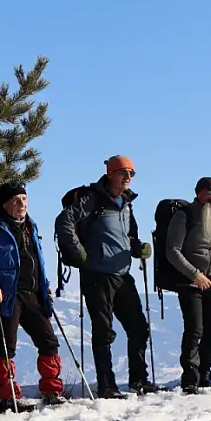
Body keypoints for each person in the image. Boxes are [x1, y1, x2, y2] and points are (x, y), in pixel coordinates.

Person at [54, 155, 158, 398]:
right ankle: (106, 385)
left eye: (131, 173)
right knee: (103, 331)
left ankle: (138, 380)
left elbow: (129, 235)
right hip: (97, 275)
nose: (128, 178)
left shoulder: (126, 203)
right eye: (123, 173)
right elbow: (64, 221)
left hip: (122, 274)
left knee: (138, 328)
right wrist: (79, 253)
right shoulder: (92, 199)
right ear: (110, 173)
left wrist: (137, 248)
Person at [0, 182, 64, 409]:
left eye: (24, 199)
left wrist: (44, 284)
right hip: (6, 295)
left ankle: (51, 390)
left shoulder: (31, 226)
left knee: (48, 341)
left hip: (33, 293)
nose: (22, 204)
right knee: (5, 345)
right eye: (16, 200)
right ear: (5, 204)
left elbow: (36, 259)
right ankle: (8, 396)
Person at [165, 177, 211, 394]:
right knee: (195, 329)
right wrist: (195, 275)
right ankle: (190, 380)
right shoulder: (184, 216)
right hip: (190, 283)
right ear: (199, 193)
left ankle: (205, 376)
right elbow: (172, 251)